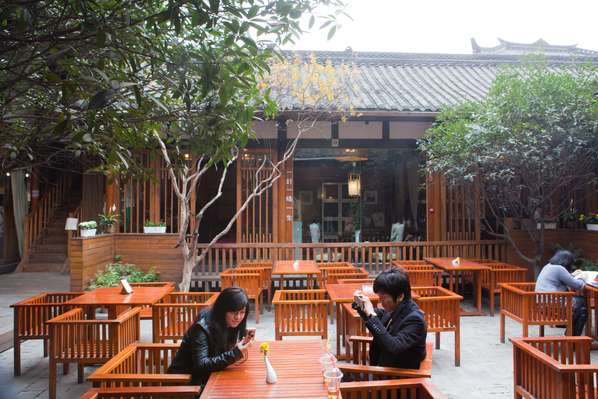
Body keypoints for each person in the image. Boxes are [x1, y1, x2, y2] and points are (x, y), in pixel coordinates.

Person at [168, 287, 254, 385]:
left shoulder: (226, 322)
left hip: (209, 378)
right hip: (186, 384)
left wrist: (237, 350)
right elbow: (201, 365)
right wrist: (234, 354)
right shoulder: (202, 327)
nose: (238, 317)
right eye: (233, 312)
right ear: (223, 310)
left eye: (242, 312)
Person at [353, 268, 427, 369]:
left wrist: (371, 314)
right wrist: (361, 307)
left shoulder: (415, 320)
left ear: (400, 296)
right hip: (383, 367)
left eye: (383, 298)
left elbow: (393, 346)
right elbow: (379, 315)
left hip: (396, 377)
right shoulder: (396, 308)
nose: (380, 302)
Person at [535, 250, 587, 336]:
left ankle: (570, 334)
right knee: (582, 307)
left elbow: (564, 278)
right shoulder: (559, 269)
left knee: (578, 304)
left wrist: (572, 275)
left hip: (542, 305)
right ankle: (572, 338)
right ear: (567, 262)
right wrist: (582, 277)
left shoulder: (548, 266)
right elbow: (578, 285)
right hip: (553, 307)